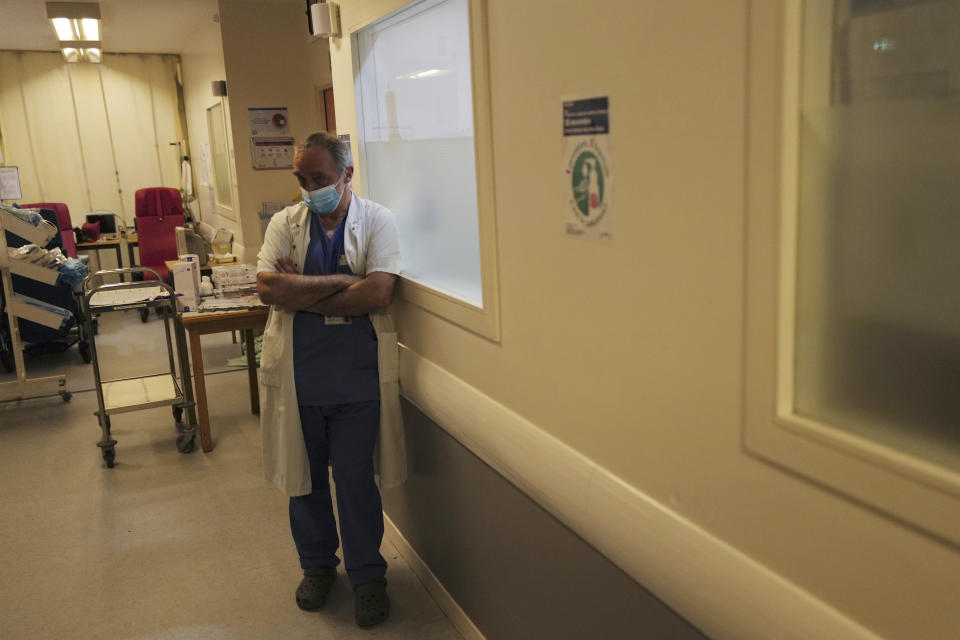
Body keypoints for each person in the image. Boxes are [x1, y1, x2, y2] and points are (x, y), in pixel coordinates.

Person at [256, 132, 406, 628]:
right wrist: (344, 281)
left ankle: (368, 576)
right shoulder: (285, 222)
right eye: (301, 179)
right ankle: (317, 566)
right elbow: (267, 288)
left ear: (347, 174)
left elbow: (379, 293)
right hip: (300, 374)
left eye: (319, 178)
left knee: (356, 481)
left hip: (357, 377)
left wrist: (300, 294)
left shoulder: (378, 220)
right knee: (305, 479)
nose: (309, 188)